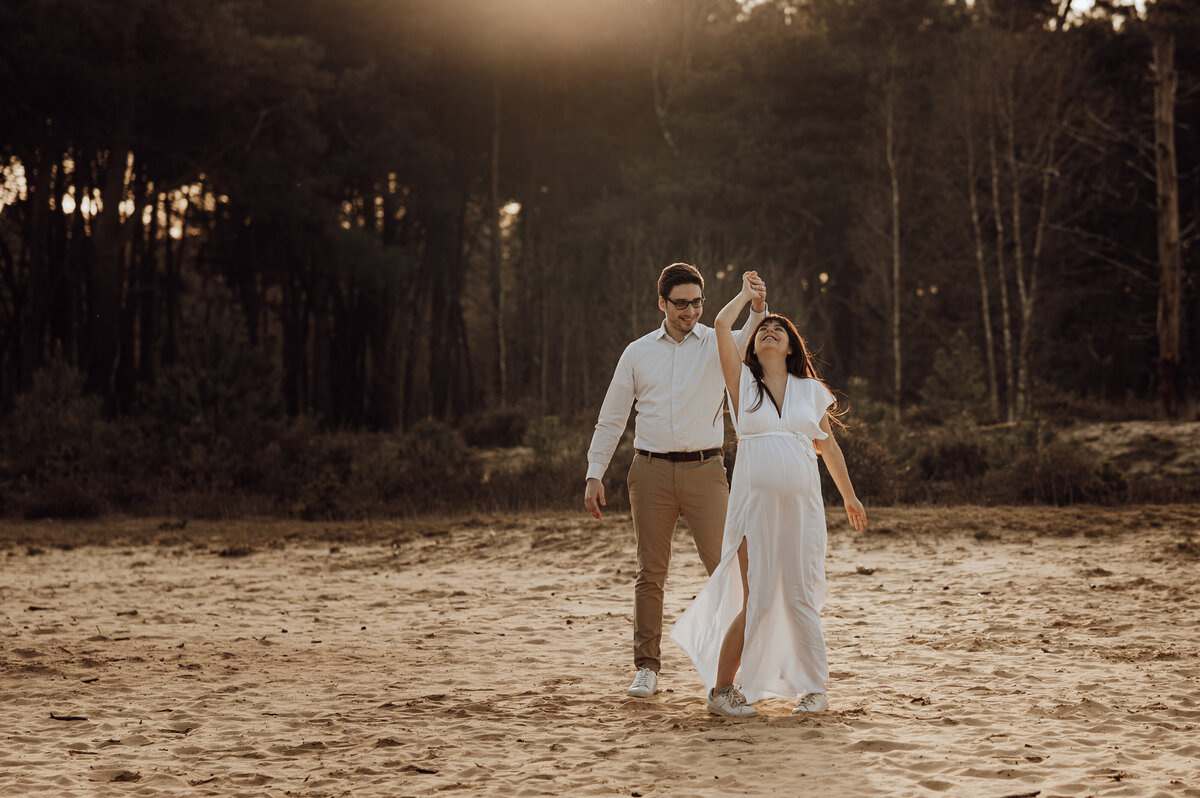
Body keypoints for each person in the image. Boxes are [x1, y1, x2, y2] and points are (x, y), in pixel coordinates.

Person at [670, 273, 867, 718]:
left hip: (801, 510)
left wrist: (850, 496)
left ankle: (814, 690)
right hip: (752, 509)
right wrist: (747, 297)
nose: (770, 331)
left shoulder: (810, 391)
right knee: (755, 598)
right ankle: (722, 691)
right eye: (763, 330)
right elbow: (722, 326)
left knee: (799, 595)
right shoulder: (742, 384)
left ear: (792, 346)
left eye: (779, 328)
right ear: (753, 348)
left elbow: (828, 447)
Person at [584, 262, 768, 699]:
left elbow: (751, 337)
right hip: (649, 472)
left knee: (726, 569)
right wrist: (594, 473)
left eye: (697, 303)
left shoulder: (718, 341)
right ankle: (646, 667)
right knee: (650, 572)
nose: (690, 311)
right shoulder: (637, 352)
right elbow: (611, 418)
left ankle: (737, 668)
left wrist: (757, 304)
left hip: (706, 471)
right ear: (661, 303)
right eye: (681, 303)